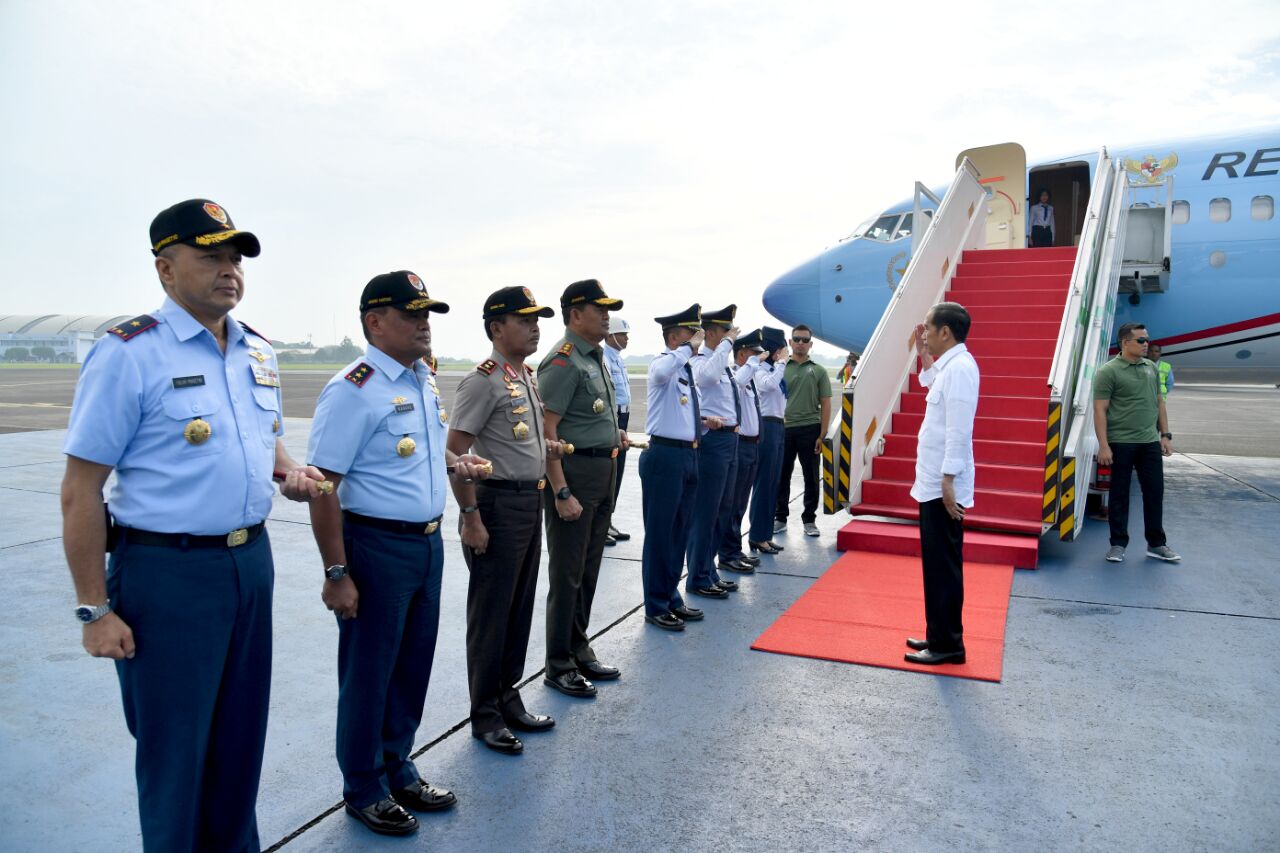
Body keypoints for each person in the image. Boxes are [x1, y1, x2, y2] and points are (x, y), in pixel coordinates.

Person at [60, 198, 323, 852]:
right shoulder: (128, 353)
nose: (229, 269)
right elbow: (80, 490)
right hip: (167, 575)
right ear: (165, 269)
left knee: (239, 742)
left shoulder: (258, 351)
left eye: (235, 257)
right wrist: (94, 609)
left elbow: (268, 441)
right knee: (177, 754)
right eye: (211, 255)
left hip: (248, 566)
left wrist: (288, 470)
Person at [306, 271, 490, 837]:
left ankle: (398, 765)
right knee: (369, 672)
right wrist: (337, 571)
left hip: (425, 544)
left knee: (411, 666)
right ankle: (363, 785)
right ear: (375, 322)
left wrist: (455, 467)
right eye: (412, 315)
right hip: (376, 548)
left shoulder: (420, 380)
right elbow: (322, 485)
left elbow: (417, 456)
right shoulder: (352, 389)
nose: (424, 325)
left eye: (427, 314)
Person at [447, 286, 564, 755]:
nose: (536, 327)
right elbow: (456, 451)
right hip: (494, 505)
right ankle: (486, 715)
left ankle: (508, 696)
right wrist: (470, 516)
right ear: (497, 328)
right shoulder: (484, 380)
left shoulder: (525, 375)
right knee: (492, 613)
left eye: (537, 319)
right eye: (524, 319)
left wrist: (544, 451)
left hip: (527, 502)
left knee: (517, 609)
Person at [538, 279, 630, 697]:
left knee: (588, 570)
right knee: (567, 573)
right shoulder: (564, 362)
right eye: (599, 308)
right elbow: (546, 432)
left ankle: (579, 647)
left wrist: (614, 437)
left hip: (602, 472)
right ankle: (558, 663)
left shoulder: (596, 358)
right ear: (576, 314)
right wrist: (560, 491)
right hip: (573, 476)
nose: (607, 315)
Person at [904, 302, 980, 666]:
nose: (926, 336)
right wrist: (924, 358)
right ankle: (938, 634)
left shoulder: (962, 369)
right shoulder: (950, 368)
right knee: (935, 566)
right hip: (933, 482)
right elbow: (934, 387)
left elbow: (958, 431)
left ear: (945, 332)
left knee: (944, 567)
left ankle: (949, 644)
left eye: (929, 331)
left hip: (942, 486)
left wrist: (948, 480)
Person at [639, 304, 707, 631]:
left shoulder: (686, 370)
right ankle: (655, 604)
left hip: (688, 456)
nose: (695, 338)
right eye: (688, 333)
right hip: (664, 457)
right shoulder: (664, 363)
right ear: (672, 338)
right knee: (660, 535)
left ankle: (671, 597)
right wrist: (685, 350)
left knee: (679, 533)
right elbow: (660, 375)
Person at [1093, 323, 1180, 563]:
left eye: (1147, 340)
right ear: (1125, 342)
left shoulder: (1151, 368)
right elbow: (1099, 410)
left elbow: (1160, 403)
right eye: (1141, 340)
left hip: (1149, 442)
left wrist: (1165, 435)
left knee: (1154, 493)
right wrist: (1103, 445)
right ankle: (1118, 544)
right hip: (1121, 443)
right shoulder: (1108, 372)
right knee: (1119, 495)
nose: (1146, 345)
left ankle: (1157, 544)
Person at [684, 305, 746, 600]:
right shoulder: (701, 361)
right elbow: (707, 379)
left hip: (731, 441)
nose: (729, 337)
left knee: (722, 509)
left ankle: (708, 571)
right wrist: (727, 344)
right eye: (724, 332)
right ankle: (697, 575)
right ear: (710, 334)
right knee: (706, 511)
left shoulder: (724, 363)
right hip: (713, 442)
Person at [717, 330, 776, 573]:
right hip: (739, 445)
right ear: (742, 354)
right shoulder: (736, 375)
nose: (758, 358)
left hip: (752, 445)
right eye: (753, 353)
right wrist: (752, 365)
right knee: (731, 504)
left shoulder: (748, 377)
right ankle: (727, 553)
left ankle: (734, 549)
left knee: (740, 502)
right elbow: (738, 382)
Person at [775, 324, 831, 537]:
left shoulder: (818, 371)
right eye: (796, 339)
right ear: (790, 342)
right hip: (784, 428)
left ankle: (809, 520)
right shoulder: (780, 368)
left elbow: (825, 404)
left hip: (810, 429)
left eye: (804, 340)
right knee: (782, 475)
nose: (800, 343)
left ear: (810, 344)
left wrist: (822, 434)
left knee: (810, 476)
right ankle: (780, 517)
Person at [748, 326, 789, 555]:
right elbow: (768, 385)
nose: (786, 353)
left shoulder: (772, 369)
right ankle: (756, 535)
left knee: (773, 482)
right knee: (763, 483)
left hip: (778, 426)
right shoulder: (760, 369)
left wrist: (780, 364)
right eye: (782, 349)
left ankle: (765, 534)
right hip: (766, 426)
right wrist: (782, 364)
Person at [603, 317, 632, 544]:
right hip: (613, 416)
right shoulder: (604, 358)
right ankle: (601, 524)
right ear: (610, 336)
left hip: (624, 415)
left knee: (618, 470)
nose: (626, 338)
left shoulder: (618, 359)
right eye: (622, 334)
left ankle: (607, 520)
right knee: (609, 471)